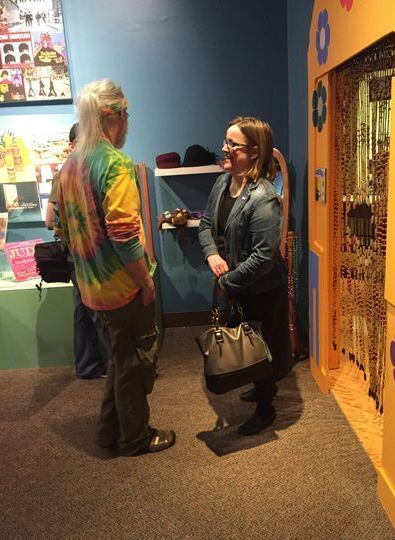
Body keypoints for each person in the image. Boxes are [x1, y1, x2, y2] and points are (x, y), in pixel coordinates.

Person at [55, 78, 175, 455]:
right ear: (114, 115)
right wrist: (145, 281)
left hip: (90, 287)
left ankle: (108, 431)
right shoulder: (114, 164)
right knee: (136, 363)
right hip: (122, 288)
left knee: (118, 359)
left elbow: (61, 227)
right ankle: (135, 438)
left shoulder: (70, 165)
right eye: (127, 115)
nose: (128, 124)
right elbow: (124, 235)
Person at [198, 116, 292, 436]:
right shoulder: (223, 183)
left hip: (263, 290)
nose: (224, 149)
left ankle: (266, 409)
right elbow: (205, 224)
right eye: (225, 141)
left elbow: (264, 258)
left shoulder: (264, 198)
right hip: (238, 285)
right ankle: (261, 386)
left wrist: (228, 282)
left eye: (232, 145)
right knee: (246, 344)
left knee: (263, 346)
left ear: (254, 151)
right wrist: (212, 254)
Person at [46, 123, 107, 380]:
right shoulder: (84, 174)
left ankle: (88, 365)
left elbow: (51, 221)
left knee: (83, 310)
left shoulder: (62, 175)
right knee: (97, 311)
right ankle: (118, 364)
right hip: (90, 256)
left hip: (74, 255)